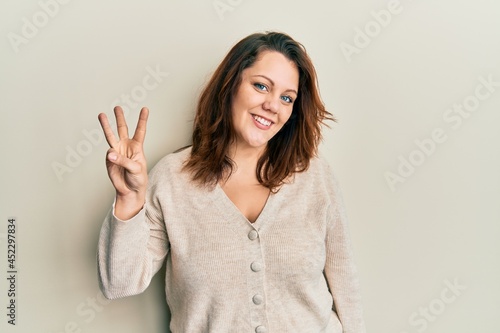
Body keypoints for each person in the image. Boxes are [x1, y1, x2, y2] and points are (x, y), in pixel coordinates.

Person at [97, 31, 366, 333]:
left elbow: (345, 285)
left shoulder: (315, 176)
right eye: (261, 86)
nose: (272, 106)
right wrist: (129, 199)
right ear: (231, 85)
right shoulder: (172, 179)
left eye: (286, 98)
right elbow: (119, 284)